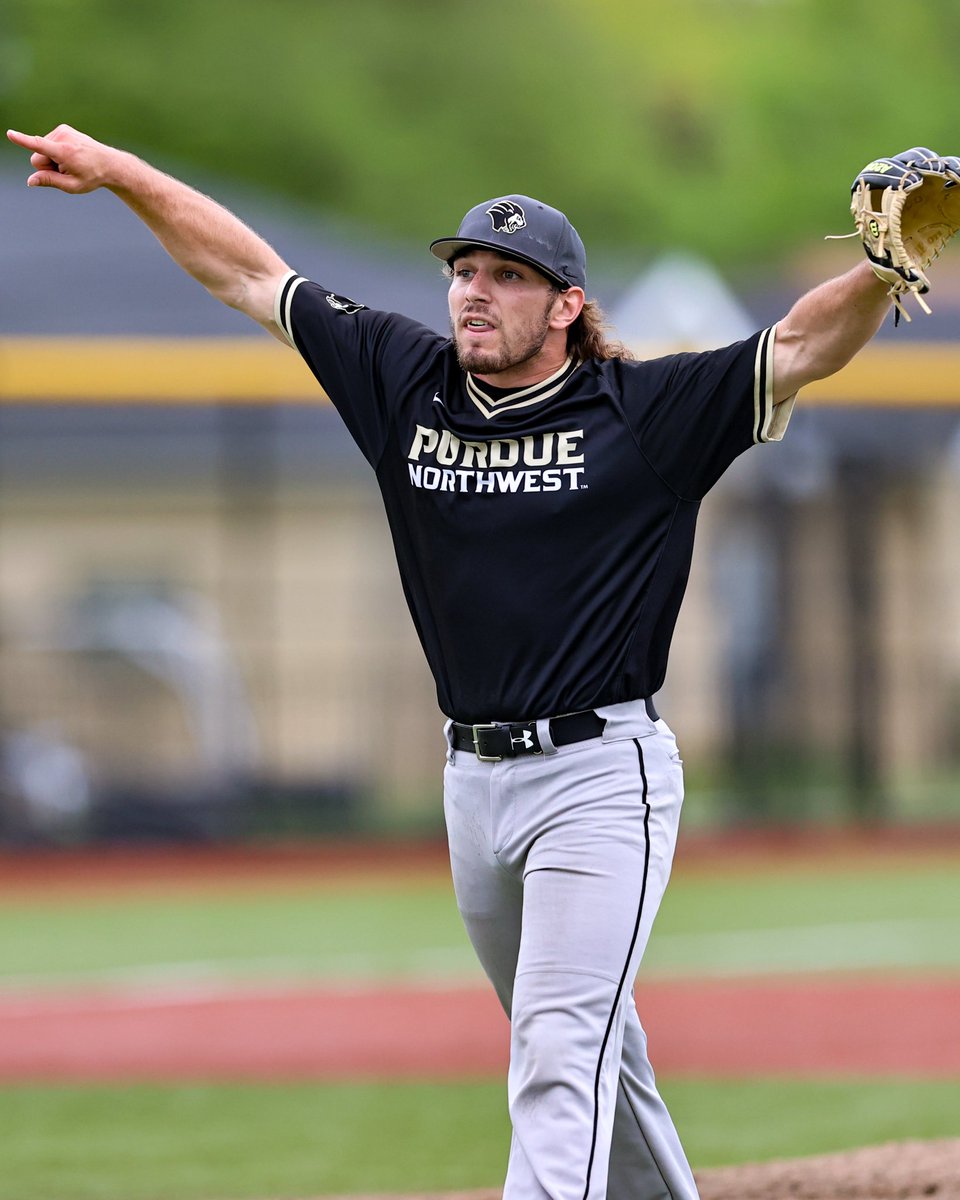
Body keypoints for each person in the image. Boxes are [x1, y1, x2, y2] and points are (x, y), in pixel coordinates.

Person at [7, 124, 896, 1200]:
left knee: (559, 1054)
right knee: (590, 1048)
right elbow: (249, 270)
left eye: (508, 277)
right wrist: (121, 174)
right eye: (464, 270)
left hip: (600, 783)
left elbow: (797, 345)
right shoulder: (401, 377)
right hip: (472, 783)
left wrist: (881, 269)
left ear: (567, 305)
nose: (474, 291)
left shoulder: (643, 412)